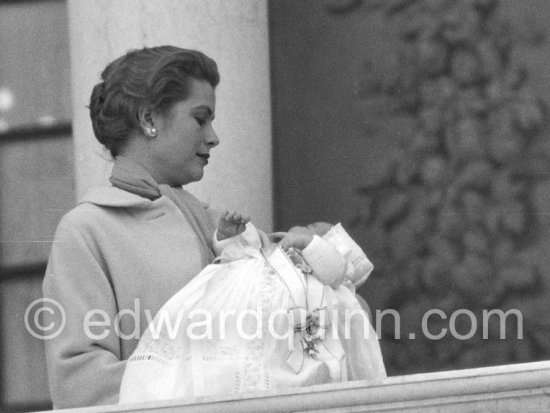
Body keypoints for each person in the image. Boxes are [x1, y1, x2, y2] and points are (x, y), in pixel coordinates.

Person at [42, 45, 384, 409]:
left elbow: (319, 326)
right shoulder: (86, 231)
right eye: (200, 118)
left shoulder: (223, 226)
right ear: (148, 119)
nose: (213, 136)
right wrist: (214, 379)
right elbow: (80, 385)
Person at [118, 212, 386, 403]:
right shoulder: (265, 249)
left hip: (282, 325)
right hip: (242, 312)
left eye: (315, 228)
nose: (305, 225)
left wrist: (310, 244)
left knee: (271, 356)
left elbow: (335, 270)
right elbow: (230, 255)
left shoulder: (321, 272)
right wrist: (226, 236)